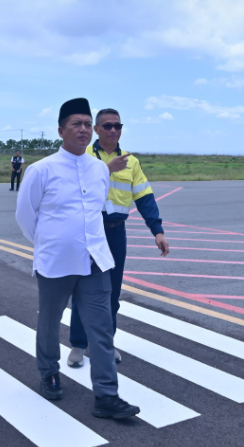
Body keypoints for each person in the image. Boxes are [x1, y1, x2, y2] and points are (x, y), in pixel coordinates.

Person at [15, 97, 139, 420]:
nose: (83, 129)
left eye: (87, 123)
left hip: (96, 261)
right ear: (60, 130)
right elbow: (25, 217)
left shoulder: (99, 169)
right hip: (56, 262)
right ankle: (49, 373)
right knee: (49, 321)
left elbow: (96, 209)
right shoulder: (40, 170)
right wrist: (51, 243)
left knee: (101, 328)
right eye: (76, 124)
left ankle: (107, 395)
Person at [67, 109, 170, 368]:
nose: (113, 130)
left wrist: (157, 231)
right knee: (83, 290)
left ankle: (106, 344)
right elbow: (71, 187)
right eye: (107, 126)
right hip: (87, 231)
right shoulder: (84, 155)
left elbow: (144, 197)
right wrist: (105, 169)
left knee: (111, 292)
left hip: (114, 232)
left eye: (117, 126)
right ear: (97, 129)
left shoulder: (131, 162)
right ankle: (78, 345)